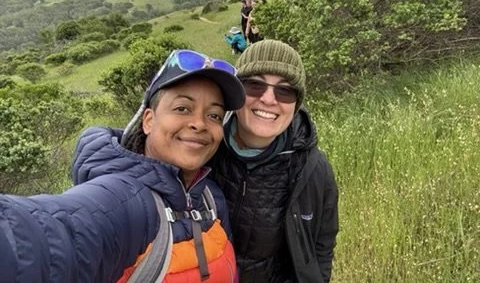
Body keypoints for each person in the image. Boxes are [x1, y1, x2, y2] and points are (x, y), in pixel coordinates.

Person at [0, 49, 246, 283]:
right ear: (148, 121)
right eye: (182, 108)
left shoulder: (209, 197)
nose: (199, 124)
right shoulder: (123, 202)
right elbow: (48, 235)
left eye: (213, 115)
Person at [209, 40, 339, 282]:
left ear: (296, 104)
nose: (269, 99)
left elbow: (321, 245)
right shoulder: (205, 147)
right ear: (236, 94)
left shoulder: (311, 169)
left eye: (285, 90)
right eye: (255, 85)